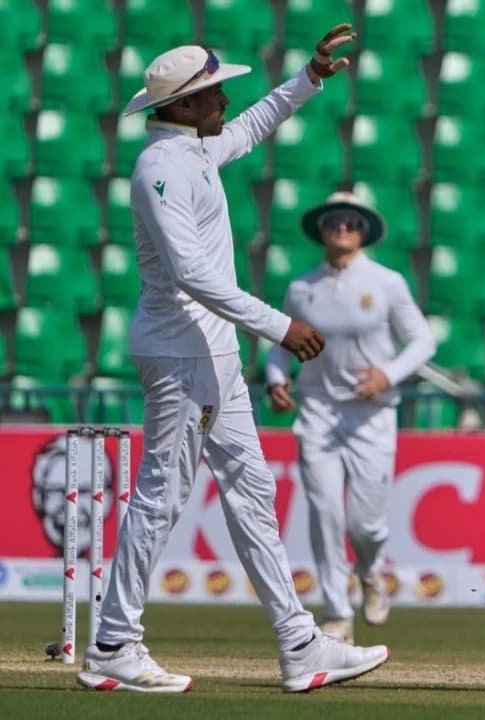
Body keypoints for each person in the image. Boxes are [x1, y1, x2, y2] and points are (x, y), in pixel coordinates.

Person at [81, 28, 389, 694]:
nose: (224, 98)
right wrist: (279, 327)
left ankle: (299, 643)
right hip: (181, 350)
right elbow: (190, 273)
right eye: (214, 90)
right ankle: (112, 644)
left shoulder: (194, 147)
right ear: (183, 105)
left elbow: (252, 127)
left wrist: (309, 77)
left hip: (210, 351)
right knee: (162, 494)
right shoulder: (161, 168)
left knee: (252, 491)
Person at [265, 191, 436, 643]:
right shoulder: (301, 288)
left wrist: (387, 375)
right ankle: (336, 611)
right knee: (324, 511)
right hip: (318, 410)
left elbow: (423, 341)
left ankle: (370, 570)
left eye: (352, 221)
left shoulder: (387, 283)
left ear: (363, 231)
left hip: (371, 416)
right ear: (321, 228)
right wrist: (276, 380)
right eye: (334, 221)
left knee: (365, 524)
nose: (342, 227)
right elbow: (281, 342)